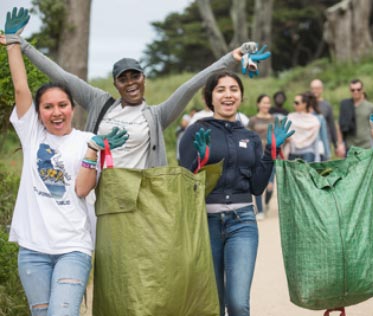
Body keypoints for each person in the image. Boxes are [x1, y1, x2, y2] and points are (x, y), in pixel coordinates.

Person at [1, 7, 127, 316]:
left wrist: (92, 151)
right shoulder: (32, 134)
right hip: (32, 250)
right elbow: (21, 89)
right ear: (39, 112)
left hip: (73, 247)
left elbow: (83, 190)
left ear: (72, 108)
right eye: (48, 107)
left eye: (62, 105)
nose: (56, 112)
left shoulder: (87, 140)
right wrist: (13, 43)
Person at [17, 23, 261, 169]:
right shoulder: (99, 102)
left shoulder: (156, 115)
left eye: (136, 76)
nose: (130, 83)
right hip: (101, 196)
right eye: (123, 78)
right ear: (116, 83)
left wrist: (230, 59)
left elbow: (191, 85)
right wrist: (22, 45)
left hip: (140, 198)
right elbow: (62, 76)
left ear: (144, 78)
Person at [179, 71, 294, 316]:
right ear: (210, 97)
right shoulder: (196, 132)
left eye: (233, 89)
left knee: (238, 303)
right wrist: (200, 163)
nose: (228, 94)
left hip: (242, 223)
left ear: (241, 96)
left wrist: (271, 151)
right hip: (206, 224)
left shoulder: (250, 137)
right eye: (221, 89)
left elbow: (257, 187)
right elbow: (184, 185)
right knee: (214, 305)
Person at [248, 94, 275, 219]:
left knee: (270, 186)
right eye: (264, 103)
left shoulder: (274, 120)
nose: (266, 105)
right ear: (258, 104)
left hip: (271, 155)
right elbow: (247, 136)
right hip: (256, 155)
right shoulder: (253, 120)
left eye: (268, 103)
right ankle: (260, 210)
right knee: (258, 182)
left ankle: (267, 203)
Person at [339, 79, 373, 154]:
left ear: (362, 90)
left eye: (358, 89)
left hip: (366, 146)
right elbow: (340, 126)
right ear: (350, 91)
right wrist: (340, 144)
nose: (356, 92)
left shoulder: (370, 107)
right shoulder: (345, 105)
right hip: (350, 147)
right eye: (353, 90)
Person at [310, 79, 345, 158]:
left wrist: (336, 144)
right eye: (313, 88)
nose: (315, 91)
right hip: (310, 143)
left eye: (317, 88)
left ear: (321, 89)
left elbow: (331, 125)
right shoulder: (306, 105)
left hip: (324, 141)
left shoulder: (326, 105)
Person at [284, 92, 320, 162]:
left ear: (304, 104)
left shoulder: (313, 120)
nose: (294, 105)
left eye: (297, 103)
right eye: (294, 102)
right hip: (292, 152)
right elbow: (285, 133)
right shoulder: (290, 117)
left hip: (308, 152)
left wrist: (317, 157)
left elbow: (315, 141)